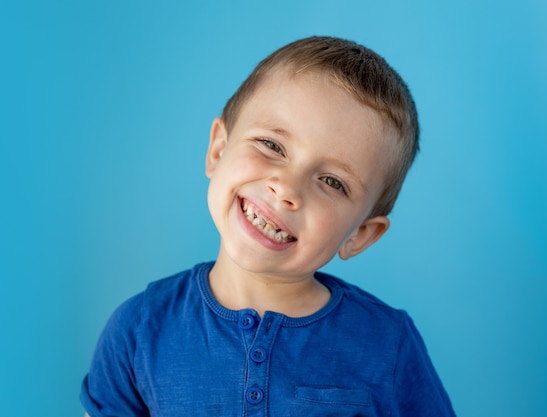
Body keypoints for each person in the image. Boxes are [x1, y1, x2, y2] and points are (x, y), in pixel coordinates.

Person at [80, 36, 456, 416]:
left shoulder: (387, 343)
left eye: (332, 181)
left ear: (360, 235)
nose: (286, 188)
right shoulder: (139, 329)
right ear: (217, 151)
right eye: (271, 145)